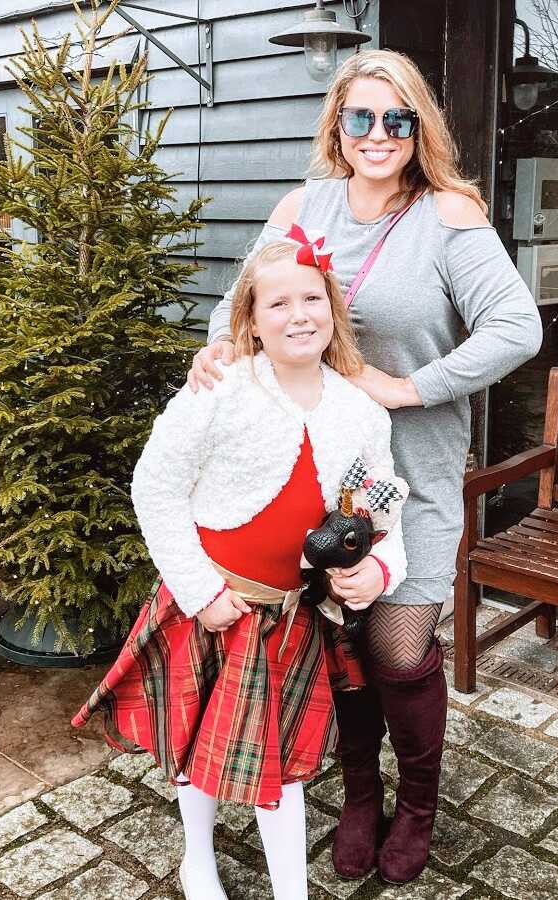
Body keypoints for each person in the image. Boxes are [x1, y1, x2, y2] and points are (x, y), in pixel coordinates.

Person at [188, 49, 542, 884]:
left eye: (397, 119)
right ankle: (357, 796)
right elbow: (242, 303)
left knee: (393, 641)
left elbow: (516, 328)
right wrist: (214, 349)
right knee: (338, 639)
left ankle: (416, 803)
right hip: (307, 475)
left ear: (418, 128)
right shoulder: (300, 204)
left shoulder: (448, 214)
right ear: (337, 126)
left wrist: (408, 387)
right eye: (361, 118)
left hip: (407, 478)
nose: (377, 134)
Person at [72, 239, 408, 900]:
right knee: (198, 747)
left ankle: (291, 891)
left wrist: (381, 570)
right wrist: (200, 593)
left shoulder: (359, 412)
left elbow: (385, 507)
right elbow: (156, 486)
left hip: (287, 619)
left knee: (276, 767)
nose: (299, 314)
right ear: (251, 320)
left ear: (334, 311)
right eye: (278, 302)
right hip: (212, 607)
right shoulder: (221, 387)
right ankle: (197, 859)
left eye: (313, 298)